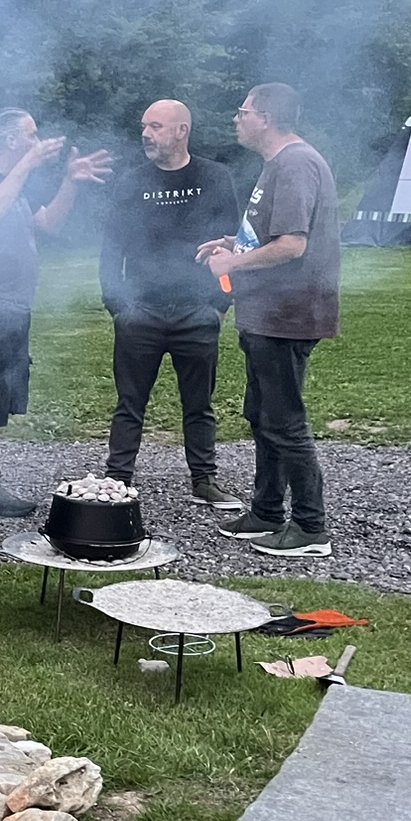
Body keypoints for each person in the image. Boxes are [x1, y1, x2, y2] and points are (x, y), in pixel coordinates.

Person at [0, 108, 113, 539]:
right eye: (31, 133)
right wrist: (27, 165)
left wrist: (70, 183)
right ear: (10, 141)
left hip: (13, 307)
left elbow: (47, 224)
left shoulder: (18, 185)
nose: (38, 139)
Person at [196, 82, 341, 557]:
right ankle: (265, 512)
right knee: (262, 415)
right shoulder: (275, 165)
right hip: (265, 314)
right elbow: (268, 236)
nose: (237, 119)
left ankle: (310, 527)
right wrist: (230, 244)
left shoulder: (296, 164)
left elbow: (292, 244)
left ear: (267, 117)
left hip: (288, 314)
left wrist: (231, 266)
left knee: (285, 420)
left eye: (243, 112)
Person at [98, 99, 242, 504]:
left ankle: (204, 480)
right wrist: (117, 304)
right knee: (129, 404)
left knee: (200, 405)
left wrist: (219, 304)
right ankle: (118, 479)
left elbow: (232, 246)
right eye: (145, 126)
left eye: (157, 126)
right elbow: (111, 249)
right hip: (139, 312)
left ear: (182, 131)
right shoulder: (131, 182)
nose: (146, 133)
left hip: (197, 311)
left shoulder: (215, 178)